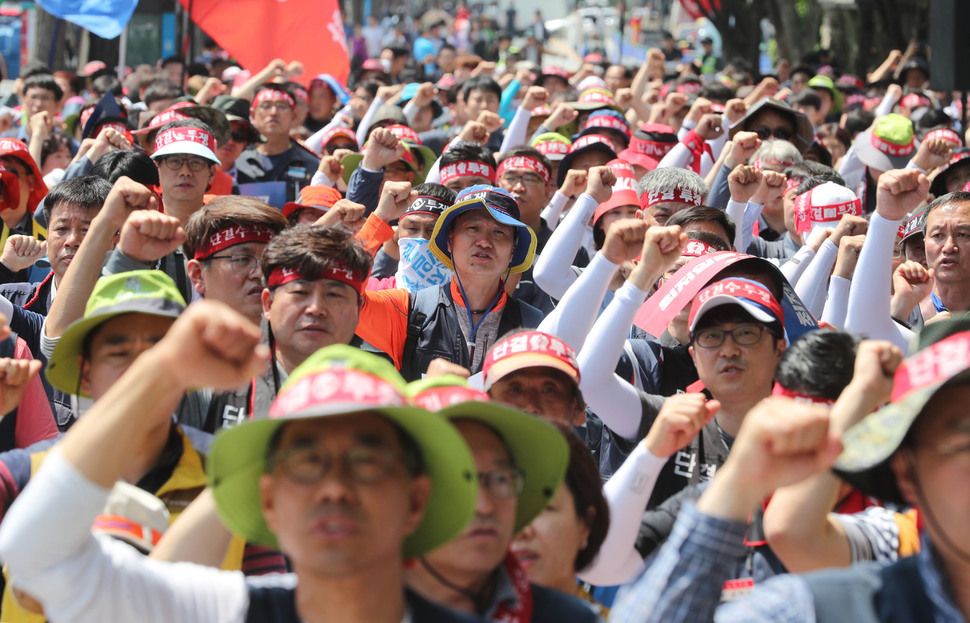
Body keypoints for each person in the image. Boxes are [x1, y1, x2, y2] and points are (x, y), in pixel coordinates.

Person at [0, 323, 482, 622]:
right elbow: (35, 558)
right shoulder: (223, 611)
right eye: (306, 462)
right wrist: (162, 370)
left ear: (416, 499)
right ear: (267, 499)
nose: (335, 489)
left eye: (369, 462)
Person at [406, 378, 598, 623]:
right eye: (457, 481)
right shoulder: (361, 609)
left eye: (500, 479)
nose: (484, 506)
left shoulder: (570, 618)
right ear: (409, 498)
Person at [356, 185, 543, 380]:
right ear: (449, 240)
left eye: (499, 232)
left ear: (513, 250)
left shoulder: (534, 324)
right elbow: (338, 291)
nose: (484, 242)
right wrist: (379, 219)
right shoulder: (408, 310)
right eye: (473, 228)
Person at [183, 196, 289, 327]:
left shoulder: (306, 344)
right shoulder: (168, 344)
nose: (261, 274)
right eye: (242, 260)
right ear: (198, 275)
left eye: (269, 260)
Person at [236, 84, 320, 204]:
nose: (274, 112)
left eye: (281, 106)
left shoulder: (312, 165)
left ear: (294, 116)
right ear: (253, 115)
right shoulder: (236, 161)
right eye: (266, 106)